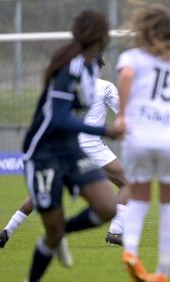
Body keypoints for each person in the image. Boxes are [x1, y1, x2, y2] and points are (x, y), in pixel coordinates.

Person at [21, 10, 125, 281]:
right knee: (52, 235)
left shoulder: (92, 68)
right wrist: (104, 130)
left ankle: (59, 233)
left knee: (107, 207)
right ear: (98, 35)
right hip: (44, 153)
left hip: (72, 150)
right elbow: (58, 116)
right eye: (106, 31)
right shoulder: (71, 66)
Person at [116, 5, 170, 282]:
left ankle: (130, 250)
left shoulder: (133, 57)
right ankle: (164, 271)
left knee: (139, 197)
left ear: (144, 32)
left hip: (139, 137)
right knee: (169, 205)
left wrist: (121, 116)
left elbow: (127, 75)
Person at [0, 56, 129, 248]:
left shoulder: (65, 85)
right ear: (98, 67)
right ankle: (115, 232)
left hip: (64, 146)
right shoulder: (105, 87)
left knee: (43, 191)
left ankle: (7, 230)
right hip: (91, 145)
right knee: (128, 183)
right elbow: (123, 112)